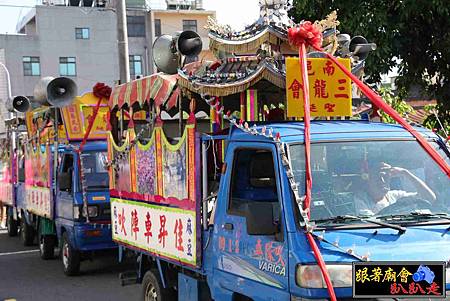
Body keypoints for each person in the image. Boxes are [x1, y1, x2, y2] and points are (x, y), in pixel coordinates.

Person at [354, 162, 436, 216]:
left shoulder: (395, 195)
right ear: (369, 181)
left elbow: (429, 198)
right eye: (378, 177)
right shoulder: (360, 199)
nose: (383, 181)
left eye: (386, 177)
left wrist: (405, 173)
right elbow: (371, 222)